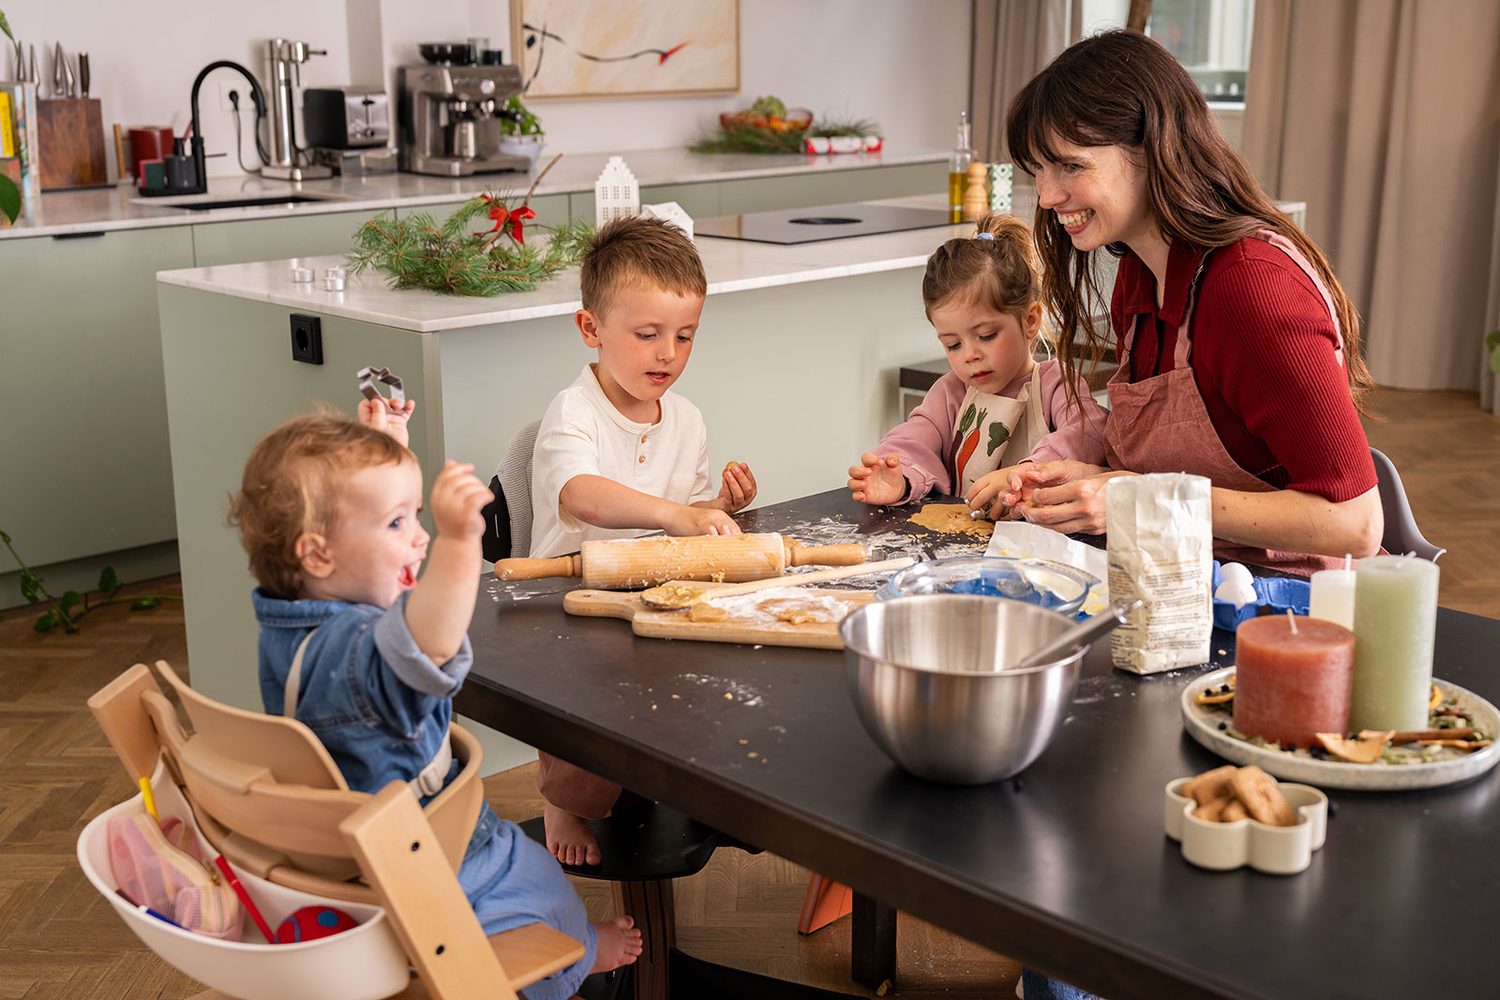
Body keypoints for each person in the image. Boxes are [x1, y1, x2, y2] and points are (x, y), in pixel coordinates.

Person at [229, 396, 641, 1000]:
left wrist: (388, 447)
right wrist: (457, 540)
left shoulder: (288, 623)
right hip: (430, 851)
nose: (418, 537)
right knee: (540, 880)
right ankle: (577, 958)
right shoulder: (367, 655)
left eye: (417, 517)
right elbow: (433, 637)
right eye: (397, 523)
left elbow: (388, 603)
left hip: (343, 848)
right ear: (318, 554)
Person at [1000, 29, 1382, 576]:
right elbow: (1170, 460)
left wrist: (1139, 497)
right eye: (1038, 170)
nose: (1046, 196)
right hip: (1186, 580)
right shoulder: (1137, 273)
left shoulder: (1250, 288)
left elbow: (1356, 524)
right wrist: (1087, 479)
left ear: (1151, 150)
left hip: (1289, 607)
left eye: (1070, 166)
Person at [529, 215, 758, 866]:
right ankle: (562, 799)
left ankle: (695, 790)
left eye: (685, 336)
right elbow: (580, 495)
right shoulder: (573, 413)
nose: (668, 354)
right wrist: (676, 517)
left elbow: (680, 513)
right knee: (593, 733)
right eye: (649, 334)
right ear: (591, 329)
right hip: (569, 598)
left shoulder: (686, 419)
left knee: (719, 677)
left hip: (652, 590)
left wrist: (715, 507)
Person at [846, 213, 1107, 516]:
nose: (970, 355)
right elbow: (914, 438)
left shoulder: (1054, 385)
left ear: (1030, 320)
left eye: (986, 335)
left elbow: (1087, 433)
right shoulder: (951, 393)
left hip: (1039, 546)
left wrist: (1032, 472)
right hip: (966, 546)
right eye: (953, 345)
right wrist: (898, 475)